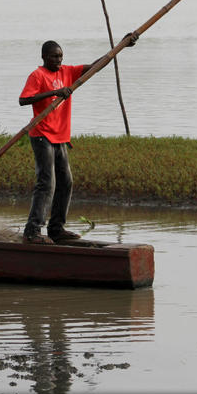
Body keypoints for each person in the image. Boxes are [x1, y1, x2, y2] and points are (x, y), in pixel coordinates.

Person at [18, 36, 137, 244]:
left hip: (60, 137)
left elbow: (97, 66)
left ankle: (56, 229)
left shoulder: (68, 72)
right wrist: (55, 92)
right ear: (44, 57)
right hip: (41, 134)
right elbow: (23, 100)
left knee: (66, 182)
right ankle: (32, 231)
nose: (58, 60)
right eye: (54, 57)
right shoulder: (38, 75)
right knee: (47, 183)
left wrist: (121, 46)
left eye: (61, 56)